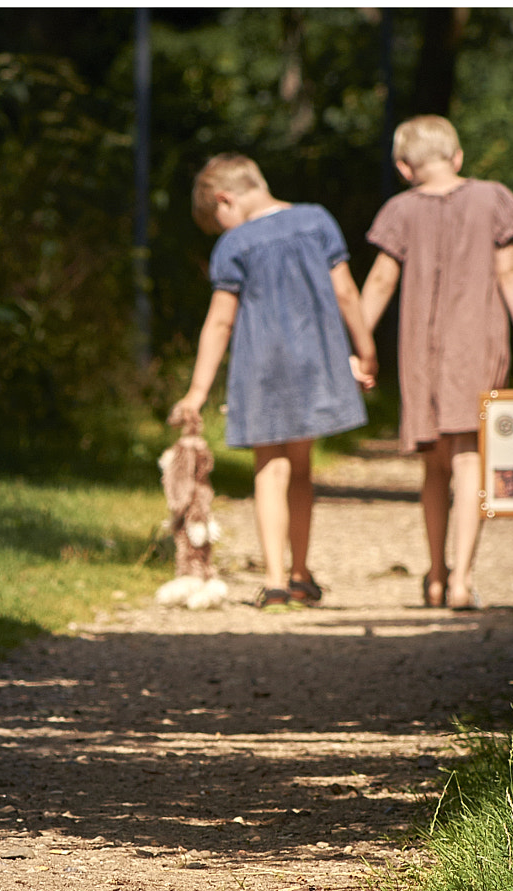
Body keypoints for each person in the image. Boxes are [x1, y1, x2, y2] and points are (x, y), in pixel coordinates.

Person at [168, 154, 377, 611]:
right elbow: (345, 291)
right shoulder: (316, 220)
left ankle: (276, 580)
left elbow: (220, 323)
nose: (222, 229)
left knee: (271, 469)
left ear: (226, 199)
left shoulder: (235, 244)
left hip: (260, 371)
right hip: (312, 364)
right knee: (300, 468)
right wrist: (365, 348)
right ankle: (301, 574)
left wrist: (197, 392)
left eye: (218, 220)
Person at [359, 115, 513, 610]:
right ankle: (462, 579)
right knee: (469, 458)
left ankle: (436, 576)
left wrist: (357, 345)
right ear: (458, 156)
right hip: (477, 344)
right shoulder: (491, 198)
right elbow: (508, 269)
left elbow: (380, 281)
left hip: (421, 350)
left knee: (433, 466)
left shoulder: (399, 210)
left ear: (404, 166)